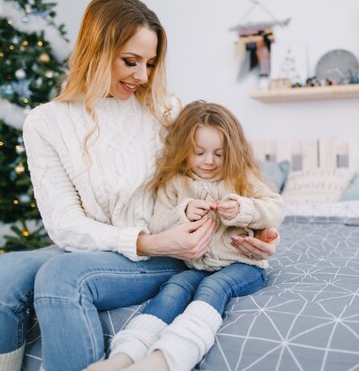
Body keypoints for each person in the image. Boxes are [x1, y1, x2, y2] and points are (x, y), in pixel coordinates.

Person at [0, 0, 279, 371]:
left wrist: (257, 228)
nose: (142, 76)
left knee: (61, 277)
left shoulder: (166, 110)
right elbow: (64, 225)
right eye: (130, 61)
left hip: (174, 249)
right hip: (121, 244)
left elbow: (225, 172)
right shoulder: (46, 123)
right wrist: (144, 241)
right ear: (96, 50)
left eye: (150, 64)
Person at [87, 101, 285, 371]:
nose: (209, 161)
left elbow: (275, 208)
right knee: (174, 288)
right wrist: (184, 212)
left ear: (233, 151)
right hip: (197, 266)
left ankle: (166, 360)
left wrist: (242, 208)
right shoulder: (175, 183)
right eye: (199, 152)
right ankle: (125, 356)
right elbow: (157, 223)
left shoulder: (241, 178)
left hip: (244, 266)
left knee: (214, 288)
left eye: (219, 153)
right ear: (184, 150)